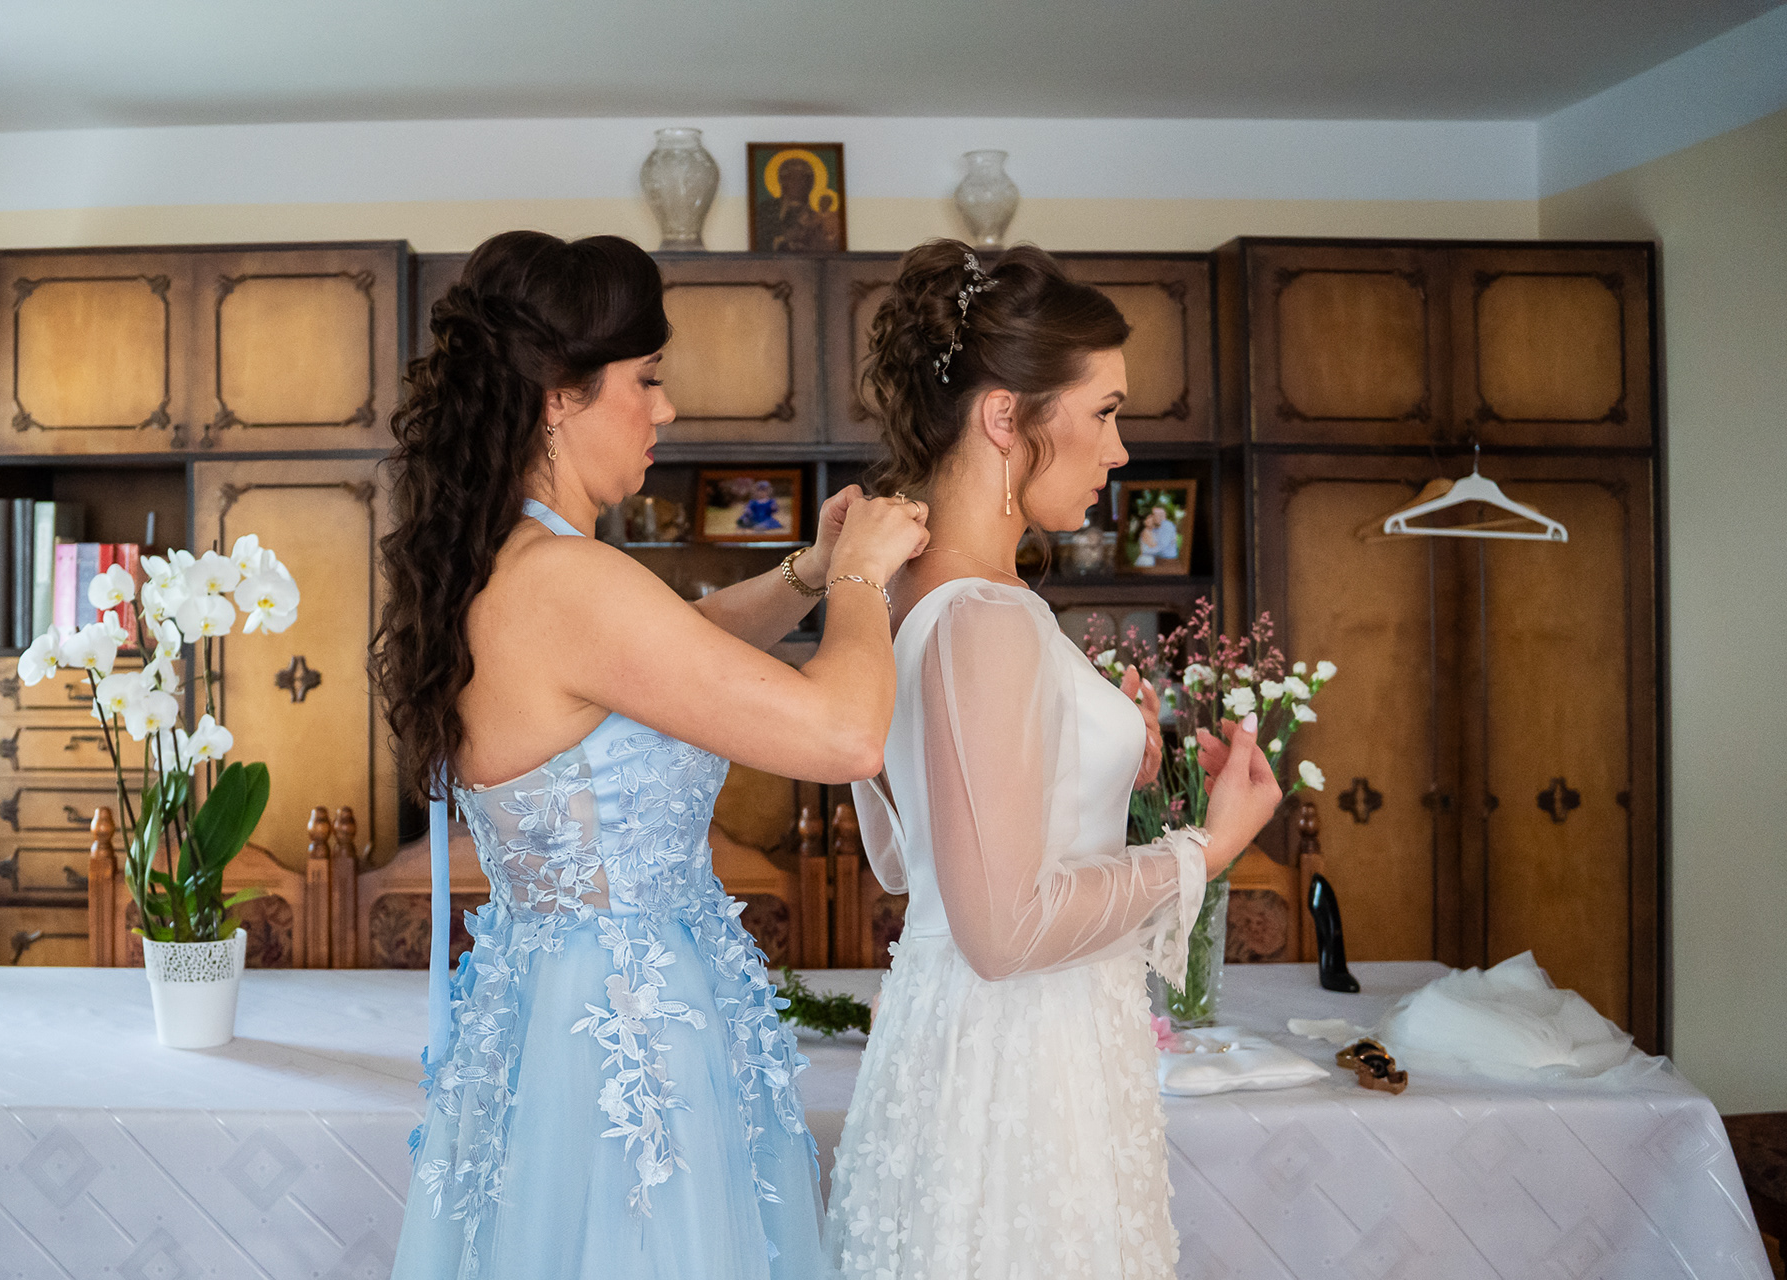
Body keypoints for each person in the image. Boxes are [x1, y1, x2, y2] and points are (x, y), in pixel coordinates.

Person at [372, 230, 928, 1280]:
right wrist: (863, 579)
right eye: (648, 378)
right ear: (558, 396)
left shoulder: (517, 562)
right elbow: (844, 734)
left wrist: (810, 571)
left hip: (556, 1010)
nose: (665, 409)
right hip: (626, 1032)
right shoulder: (573, 580)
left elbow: (680, 653)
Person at [825, 241, 1283, 1279]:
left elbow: (906, 861)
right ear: (1006, 416)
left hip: (967, 1044)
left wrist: (1098, 755)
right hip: (1024, 1059)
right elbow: (1001, 929)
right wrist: (1204, 851)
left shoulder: (902, 592)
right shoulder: (986, 615)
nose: (1119, 449)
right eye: (1105, 411)